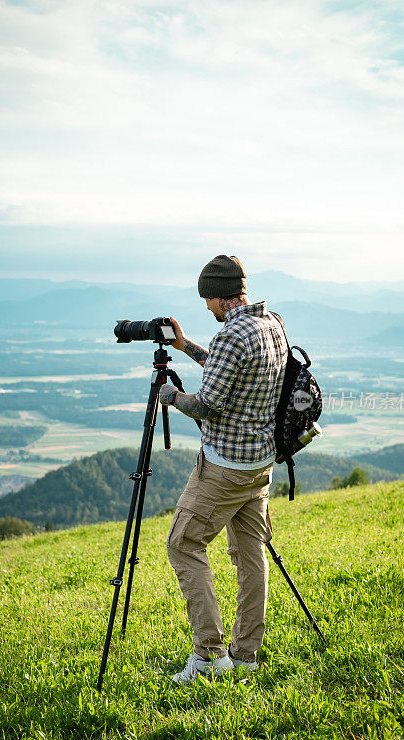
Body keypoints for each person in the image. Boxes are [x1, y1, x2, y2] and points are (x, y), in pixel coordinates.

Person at [159, 254, 288, 684]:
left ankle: (210, 655)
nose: (206, 308)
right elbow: (227, 370)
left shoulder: (232, 335)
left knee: (182, 543)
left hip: (224, 466)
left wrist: (170, 397)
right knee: (251, 555)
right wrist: (184, 345)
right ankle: (247, 654)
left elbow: (208, 402)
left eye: (207, 300)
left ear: (216, 295)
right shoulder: (271, 324)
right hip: (260, 464)